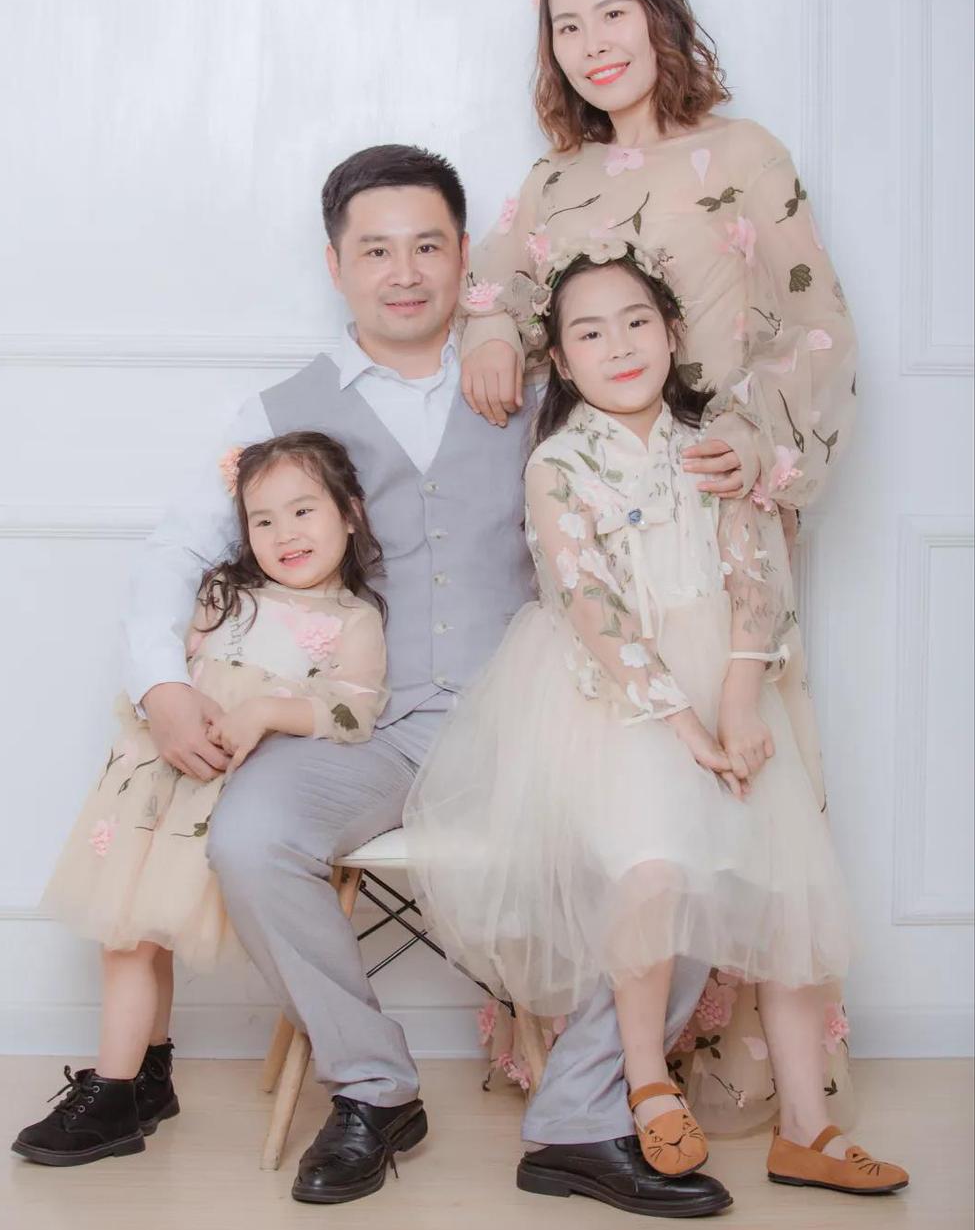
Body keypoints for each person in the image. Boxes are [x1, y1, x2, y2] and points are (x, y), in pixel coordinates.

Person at [47, 143, 721, 1212]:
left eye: (427, 246)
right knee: (250, 836)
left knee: (681, 850)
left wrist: (740, 462)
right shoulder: (280, 407)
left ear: (464, 259)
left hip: (531, 720)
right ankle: (372, 1085)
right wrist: (161, 684)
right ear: (335, 264)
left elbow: (659, 447)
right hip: (363, 728)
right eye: (375, 250)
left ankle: (580, 1115)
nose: (403, 272)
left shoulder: (539, 385)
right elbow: (177, 548)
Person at [459, 0, 861, 1126]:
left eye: (611, 14)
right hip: (606, 521)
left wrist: (760, 443)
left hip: (722, 507)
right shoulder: (553, 182)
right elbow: (503, 290)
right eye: (565, 26)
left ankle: (773, 1096)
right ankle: (610, 1083)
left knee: (751, 799)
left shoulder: (743, 154)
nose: (592, 44)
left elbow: (816, 325)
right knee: (626, 802)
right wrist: (492, 328)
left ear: (658, 14)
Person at [408, 246, 907, 1202]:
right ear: (561, 359)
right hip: (619, 700)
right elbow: (589, 606)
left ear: (672, 333)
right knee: (653, 873)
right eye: (590, 333)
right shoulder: (558, 465)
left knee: (784, 889)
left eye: (636, 321)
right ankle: (644, 1081)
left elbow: (755, 574)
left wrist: (736, 703)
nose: (620, 345)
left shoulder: (713, 443)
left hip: (731, 684)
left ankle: (806, 1127)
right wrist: (683, 723)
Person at [14, 432, 388, 1168]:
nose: (285, 534)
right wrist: (187, 703)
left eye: (303, 511)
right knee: (128, 932)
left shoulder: (354, 621)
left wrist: (267, 710)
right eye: (263, 519)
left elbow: (355, 712)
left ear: (349, 513)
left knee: (135, 935)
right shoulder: (225, 592)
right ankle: (140, 1079)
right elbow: (177, 671)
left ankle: (117, 1090)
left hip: (218, 800)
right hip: (153, 784)